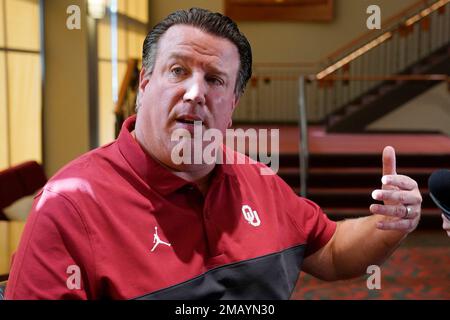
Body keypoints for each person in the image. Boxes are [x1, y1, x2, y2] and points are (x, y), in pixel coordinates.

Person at [5, 8, 422, 300]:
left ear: (233, 103)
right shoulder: (68, 207)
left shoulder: (258, 179)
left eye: (216, 79)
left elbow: (329, 250)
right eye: (178, 71)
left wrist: (388, 224)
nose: (195, 92)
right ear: (145, 84)